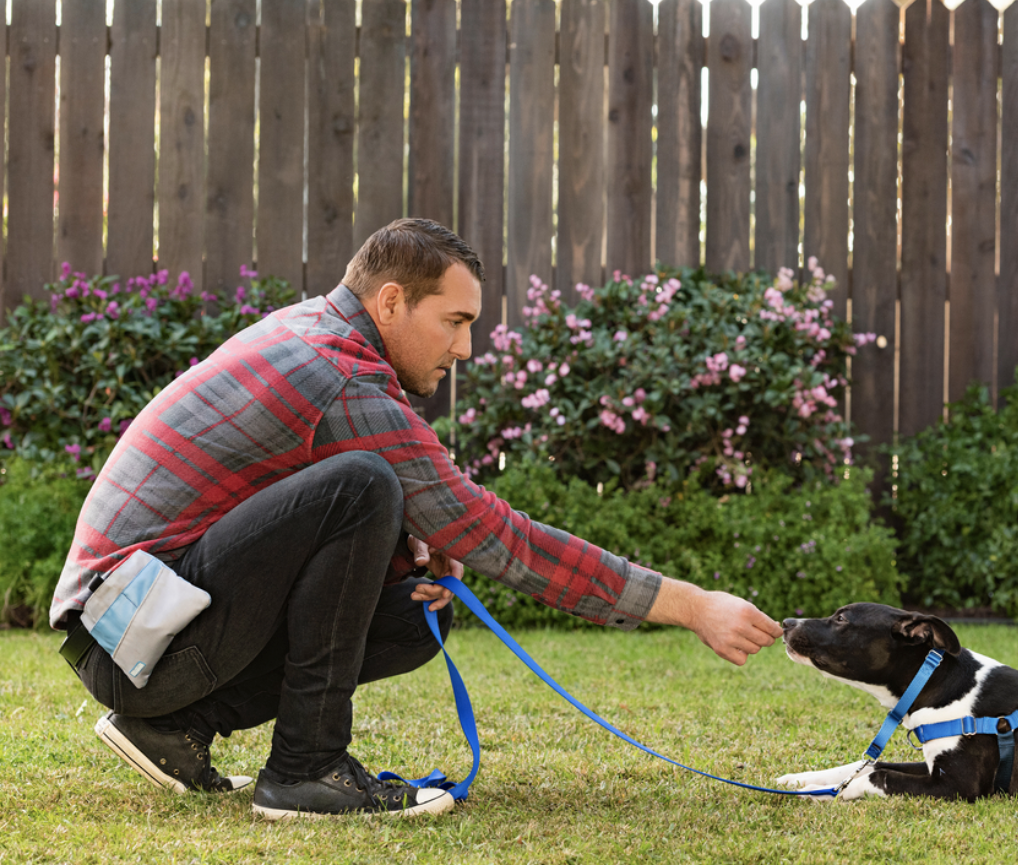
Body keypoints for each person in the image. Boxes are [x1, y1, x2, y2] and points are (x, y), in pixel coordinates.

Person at [51, 218, 783, 820]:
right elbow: (492, 534)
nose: (465, 348)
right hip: (131, 639)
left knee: (411, 614)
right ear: (392, 302)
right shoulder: (340, 374)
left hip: (138, 637)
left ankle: (176, 727)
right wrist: (692, 604)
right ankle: (306, 774)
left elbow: (287, 518)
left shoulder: (315, 335)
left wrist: (413, 552)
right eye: (455, 322)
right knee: (364, 485)